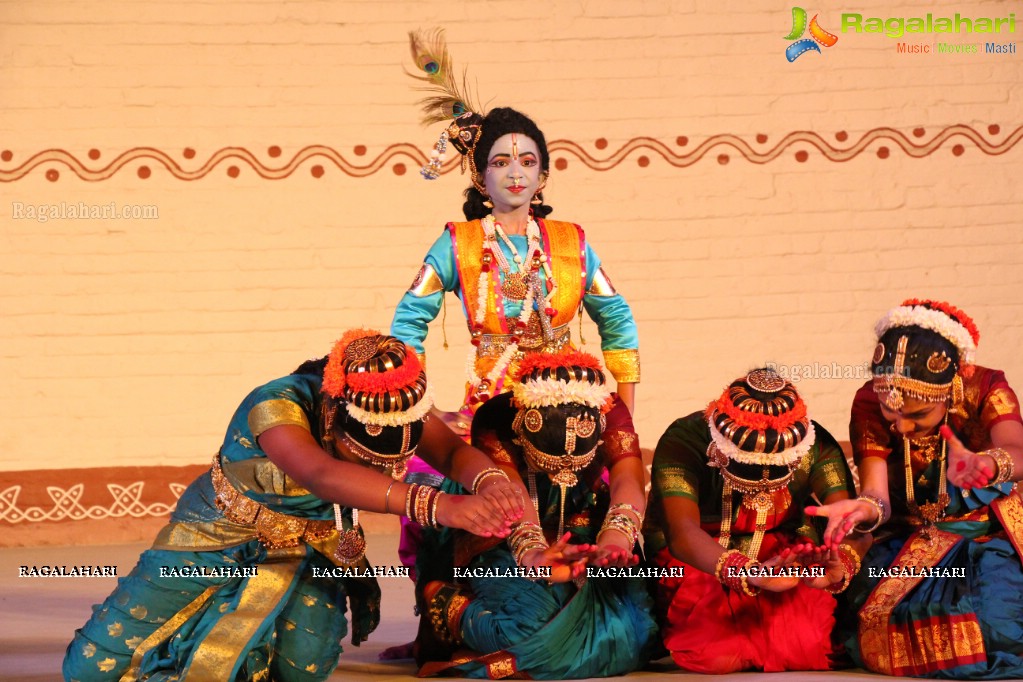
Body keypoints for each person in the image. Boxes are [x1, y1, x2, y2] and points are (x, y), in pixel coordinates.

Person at [63, 329, 523, 682]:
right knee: (91, 669)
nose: (390, 468)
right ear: (335, 411)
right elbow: (322, 476)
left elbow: (449, 452)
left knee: (301, 669)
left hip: (311, 546)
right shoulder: (277, 405)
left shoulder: (396, 404)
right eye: (367, 457)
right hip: (216, 534)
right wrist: (440, 505)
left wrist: (491, 480)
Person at [391, 106, 640, 433]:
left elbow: (617, 317)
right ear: (481, 177)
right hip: (488, 415)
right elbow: (408, 321)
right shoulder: (458, 244)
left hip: (571, 411)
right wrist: (429, 410)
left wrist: (623, 417)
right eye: (500, 163)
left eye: (527, 162)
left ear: (542, 178)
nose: (515, 173)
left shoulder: (570, 243)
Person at [411, 350, 658, 679]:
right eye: (548, 464)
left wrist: (615, 542)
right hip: (503, 527)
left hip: (582, 528)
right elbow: (508, 494)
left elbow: (628, 478)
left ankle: (501, 656)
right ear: (522, 427)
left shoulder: (608, 409)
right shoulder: (498, 418)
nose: (562, 477)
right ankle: (441, 598)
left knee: (639, 634)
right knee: (526, 626)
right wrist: (534, 554)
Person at [813, 299, 1023, 678]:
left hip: (987, 531)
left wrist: (986, 463)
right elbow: (878, 495)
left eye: (918, 415)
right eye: (891, 412)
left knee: (997, 624)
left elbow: (1017, 451)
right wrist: (863, 510)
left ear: (952, 388)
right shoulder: (867, 401)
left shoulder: (986, 386)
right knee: (872, 620)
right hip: (911, 536)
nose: (902, 427)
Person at [643, 368, 865, 673]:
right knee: (712, 655)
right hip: (702, 558)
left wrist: (840, 565)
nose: (761, 490)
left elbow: (855, 527)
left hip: (783, 559)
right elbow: (682, 534)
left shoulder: (816, 446)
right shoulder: (685, 441)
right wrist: (750, 574)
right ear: (721, 447)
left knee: (808, 648)